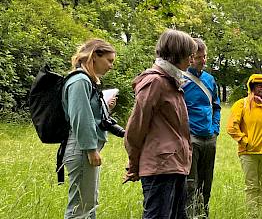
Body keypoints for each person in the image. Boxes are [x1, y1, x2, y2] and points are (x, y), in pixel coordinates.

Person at [124, 29, 197, 219]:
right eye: (189, 54)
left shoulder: (173, 81)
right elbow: (136, 127)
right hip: (160, 165)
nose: (191, 60)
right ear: (177, 53)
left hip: (176, 164)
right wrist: (134, 162)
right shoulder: (155, 81)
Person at [62, 39, 117, 219]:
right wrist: (91, 149)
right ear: (94, 56)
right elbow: (80, 118)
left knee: (88, 205)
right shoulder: (79, 81)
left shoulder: (87, 81)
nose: (110, 66)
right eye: (109, 61)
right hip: (81, 149)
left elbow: (90, 114)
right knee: (81, 209)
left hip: (83, 148)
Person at [226, 74, 262, 214]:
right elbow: (231, 127)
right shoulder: (242, 104)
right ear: (251, 87)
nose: (261, 87)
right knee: (252, 186)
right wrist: (245, 141)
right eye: (258, 85)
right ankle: (252, 214)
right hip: (248, 153)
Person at [182, 38, 220, 218]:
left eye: (205, 57)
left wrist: (215, 130)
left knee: (207, 181)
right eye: (199, 57)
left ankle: (203, 213)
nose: (203, 61)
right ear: (190, 58)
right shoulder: (181, 79)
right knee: (191, 182)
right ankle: (190, 214)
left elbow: (216, 106)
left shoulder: (210, 79)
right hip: (191, 136)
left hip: (209, 137)